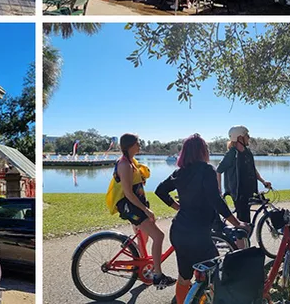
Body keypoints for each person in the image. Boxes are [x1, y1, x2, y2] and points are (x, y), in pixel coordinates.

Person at [155, 134, 244, 304]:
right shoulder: (206, 170)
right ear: (202, 151)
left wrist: (178, 207)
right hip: (197, 233)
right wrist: (237, 223)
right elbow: (215, 200)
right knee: (215, 273)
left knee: (184, 277)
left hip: (179, 231)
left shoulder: (180, 173)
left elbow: (160, 190)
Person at [106, 133, 175, 288]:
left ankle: (144, 269)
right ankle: (158, 276)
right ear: (131, 146)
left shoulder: (131, 162)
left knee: (144, 237)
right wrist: (146, 210)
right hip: (130, 206)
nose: (140, 146)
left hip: (136, 205)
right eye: (138, 143)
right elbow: (128, 193)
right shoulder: (124, 165)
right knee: (159, 236)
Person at [217, 126, 272, 235]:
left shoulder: (247, 153)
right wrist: (219, 191)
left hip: (248, 191)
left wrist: (263, 181)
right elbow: (218, 170)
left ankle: (243, 245)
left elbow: (252, 169)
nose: (249, 137)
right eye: (247, 135)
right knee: (243, 222)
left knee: (246, 221)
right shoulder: (232, 154)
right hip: (238, 193)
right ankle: (241, 248)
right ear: (239, 138)